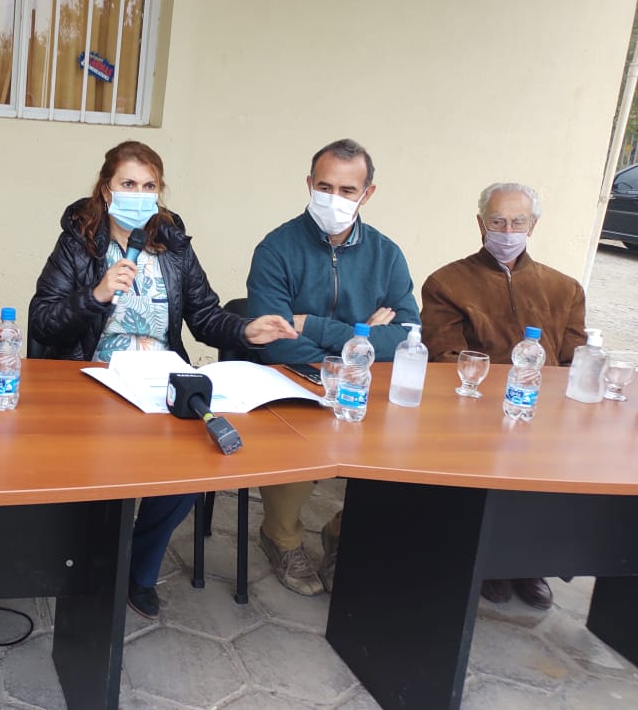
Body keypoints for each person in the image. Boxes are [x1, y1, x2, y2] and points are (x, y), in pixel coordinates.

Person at [28, 140, 297, 618]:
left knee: (193, 462)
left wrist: (246, 330)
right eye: (128, 184)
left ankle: (140, 564)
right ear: (106, 191)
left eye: (149, 185)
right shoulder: (79, 242)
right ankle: (90, 560)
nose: (139, 193)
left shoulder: (172, 245)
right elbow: (43, 321)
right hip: (93, 375)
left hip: (161, 376)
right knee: (103, 461)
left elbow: (207, 316)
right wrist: (96, 293)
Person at [246, 139, 419, 596]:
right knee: (299, 435)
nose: (335, 199)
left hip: (366, 382)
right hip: (295, 378)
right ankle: (280, 536)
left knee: (405, 445)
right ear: (308, 185)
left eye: (348, 189)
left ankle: (345, 532)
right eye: (325, 187)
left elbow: (407, 338)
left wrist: (319, 328)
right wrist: (364, 337)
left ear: (368, 193)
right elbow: (275, 343)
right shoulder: (276, 249)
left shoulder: (387, 255)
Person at [421, 181, 586, 610]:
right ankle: (488, 562)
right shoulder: (447, 282)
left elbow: (574, 359)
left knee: (555, 467)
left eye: (518, 221)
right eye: (498, 220)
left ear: (533, 225)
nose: (507, 230)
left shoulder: (563, 289)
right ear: (481, 224)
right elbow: (444, 356)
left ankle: (528, 563)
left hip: (543, 413)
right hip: (474, 411)